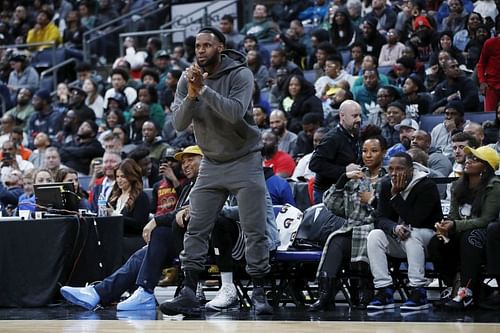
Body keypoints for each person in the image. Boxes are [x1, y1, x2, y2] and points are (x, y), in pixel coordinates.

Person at [160, 27, 273, 316]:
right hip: (211, 161)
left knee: (254, 228)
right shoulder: (189, 79)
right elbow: (178, 123)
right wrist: (192, 94)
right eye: (197, 45)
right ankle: (188, 291)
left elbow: (235, 112)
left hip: (244, 159)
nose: (200, 50)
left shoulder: (241, 74)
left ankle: (259, 290)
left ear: (220, 47)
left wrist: (205, 91)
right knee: (196, 226)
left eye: (207, 45)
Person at [60, 146, 203, 311]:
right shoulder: (188, 186)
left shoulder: (209, 185)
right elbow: (179, 213)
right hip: (178, 239)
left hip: (199, 241)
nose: (185, 164)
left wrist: (156, 220)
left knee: (157, 234)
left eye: (190, 159)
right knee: (139, 255)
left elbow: (187, 212)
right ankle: (98, 292)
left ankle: (142, 291)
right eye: (183, 161)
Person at [311, 128, 388, 311]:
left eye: (374, 151)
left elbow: (394, 211)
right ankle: (325, 294)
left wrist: (373, 199)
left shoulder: (390, 176)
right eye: (364, 151)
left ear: (384, 152)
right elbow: (331, 205)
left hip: (379, 231)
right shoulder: (355, 176)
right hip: (351, 227)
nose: (368, 155)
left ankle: (365, 291)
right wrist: (342, 179)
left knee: (366, 237)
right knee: (336, 241)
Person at [366, 153, 443, 312]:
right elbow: (380, 218)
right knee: (375, 235)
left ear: (410, 169)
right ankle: (384, 290)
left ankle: (418, 291)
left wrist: (396, 195)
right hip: (402, 239)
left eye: (399, 169)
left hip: (429, 239)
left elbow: (416, 219)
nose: (394, 173)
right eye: (391, 169)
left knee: (411, 233)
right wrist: (395, 228)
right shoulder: (387, 184)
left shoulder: (426, 185)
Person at [429, 146, 500, 309]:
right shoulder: (457, 186)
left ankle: (466, 293)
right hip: (460, 231)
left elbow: (486, 220)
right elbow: (453, 216)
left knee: (471, 237)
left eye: (475, 159)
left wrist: (455, 225)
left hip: (484, 234)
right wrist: (445, 226)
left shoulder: (495, 187)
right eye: (469, 158)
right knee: (436, 242)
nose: (468, 161)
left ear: (486, 166)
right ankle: (452, 286)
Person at [309, 100, 362, 204]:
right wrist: (344, 170)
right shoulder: (332, 138)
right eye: (354, 116)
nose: (359, 119)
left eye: (360, 116)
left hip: (346, 191)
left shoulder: (355, 134)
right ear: (342, 116)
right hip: (327, 193)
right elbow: (314, 164)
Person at [107, 158, 150, 238]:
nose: (119, 180)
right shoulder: (114, 196)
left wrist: (115, 215)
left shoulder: (141, 197)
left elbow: (139, 224)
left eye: (123, 176)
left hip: (131, 239)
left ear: (131, 177)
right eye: (117, 176)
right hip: (113, 237)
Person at [477, 18, 500, 112]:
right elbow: (481, 64)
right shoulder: (490, 43)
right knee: (489, 118)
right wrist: (482, 82)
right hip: (492, 87)